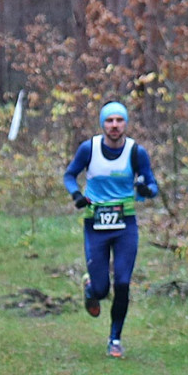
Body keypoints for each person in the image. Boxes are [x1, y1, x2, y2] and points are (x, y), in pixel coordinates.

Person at [63, 101, 159, 358]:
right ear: (102, 124)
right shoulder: (89, 149)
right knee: (102, 290)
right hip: (96, 224)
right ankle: (90, 287)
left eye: (119, 120)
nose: (114, 125)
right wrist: (76, 195)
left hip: (125, 225)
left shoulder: (136, 152)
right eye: (109, 121)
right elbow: (69, 175)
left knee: (124, 283)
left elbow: (153, 184)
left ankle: (115, 339)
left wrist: (146, 191)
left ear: (125, 123)